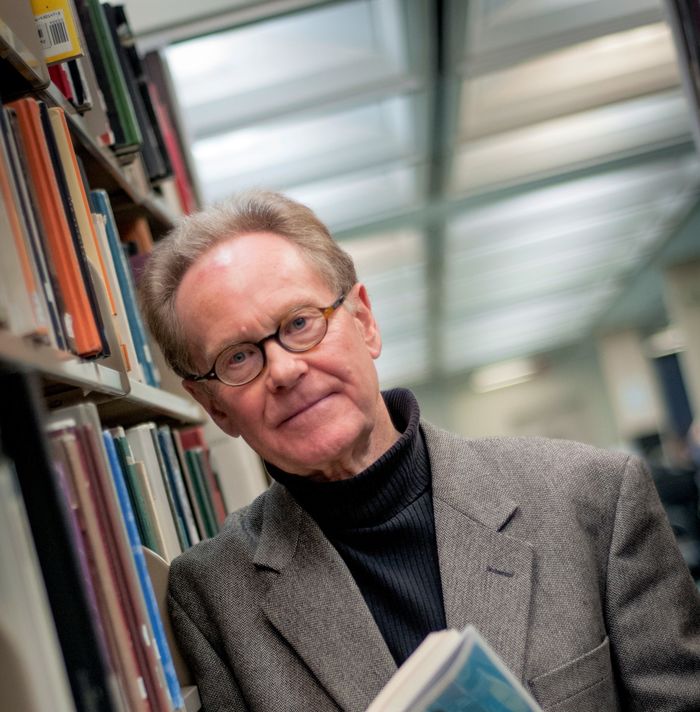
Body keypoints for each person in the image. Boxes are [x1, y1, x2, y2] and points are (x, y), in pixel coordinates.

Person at [139, 190, 700, 712]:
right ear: (213, 406)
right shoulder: (213, 595)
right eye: (237, 358)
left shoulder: (590, 495)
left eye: (300, 323)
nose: (284, 370)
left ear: (365, 322)